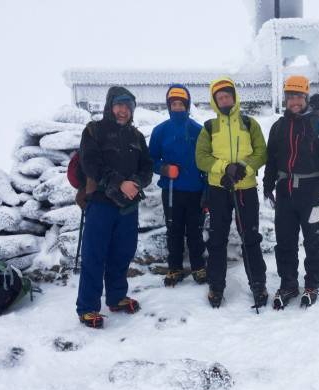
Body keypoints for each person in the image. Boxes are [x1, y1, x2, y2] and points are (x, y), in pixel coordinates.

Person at [76, 86, 153, 328]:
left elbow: (147, 168)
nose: (122, 111)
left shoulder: (137, 137)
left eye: (127, 107)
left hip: (128, 206)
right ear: (110, 106)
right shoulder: (94, 131)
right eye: (119, 105)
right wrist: (120, 183)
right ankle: (88, 307)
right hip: (101, 203)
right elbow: (91, 164)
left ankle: (117, 297)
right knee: (94, 255)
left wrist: (136, 183)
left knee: (122, 252)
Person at [262, 75, 319, 309]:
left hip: (313, 192)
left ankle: (312, 283)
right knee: (285, 242)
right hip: (285, 192)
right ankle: (288, 284)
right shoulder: (278, 126)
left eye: (298, 96)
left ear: (305, 97)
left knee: (314, 242)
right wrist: (267, 185)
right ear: (285, 99)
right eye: (290, 97)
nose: (294, 101)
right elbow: (272, 159)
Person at [195, 77, 268, 309]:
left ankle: (258, 283)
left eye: (227, 96)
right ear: (215, 101)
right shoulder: (209, 127)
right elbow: (201, 158)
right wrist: (225, 168)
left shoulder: (249, 123)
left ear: (234, 97)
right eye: (220, 97)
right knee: (217, 238)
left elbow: (261, 153)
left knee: (250, 237)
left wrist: (243, 169)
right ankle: (216, 286)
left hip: (245, 189)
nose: (224, 100)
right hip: (219, 189)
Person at [149, 84, 207, 287]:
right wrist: (164, 169)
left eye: (181, 103)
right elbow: (151, 160)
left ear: (187, 105)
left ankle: (199, 267)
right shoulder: (160, 131)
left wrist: (206, 190)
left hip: (195, 190)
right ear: (168, 106)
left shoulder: (198, 130)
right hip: (172, 190)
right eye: (174, 103)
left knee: (195, 230)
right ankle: (175, 268)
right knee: (173, 230)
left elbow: (207, 161)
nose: (177, 107)